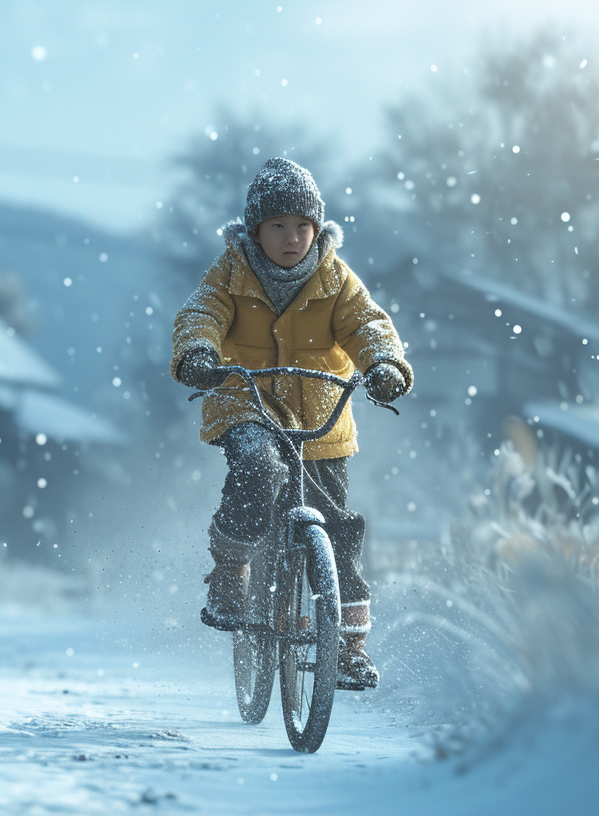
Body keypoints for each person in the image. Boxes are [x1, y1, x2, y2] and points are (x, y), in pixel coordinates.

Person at [168, 156, 412, 689]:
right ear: (255, 229)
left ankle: (347, 644)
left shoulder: (335, 278)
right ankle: (231, 572)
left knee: (339, 530)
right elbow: (199, 314)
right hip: (245, 402)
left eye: (303, 226)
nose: (292, 237)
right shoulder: (230, 273)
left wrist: (385, 365)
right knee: (259, 466)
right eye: (278, 225)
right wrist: (197, 354)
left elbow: (368, 324)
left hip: (321, 415)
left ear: (318, 229)